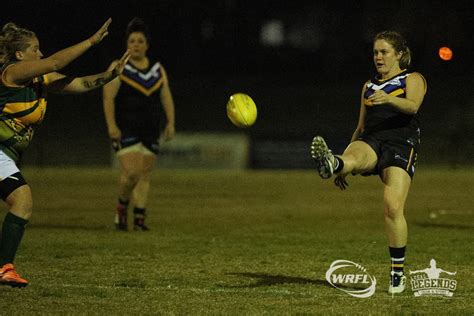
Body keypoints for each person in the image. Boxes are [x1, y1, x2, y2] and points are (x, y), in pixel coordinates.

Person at [0, 19, 130, 288]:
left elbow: (79, 84)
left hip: (7, 155)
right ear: (19, 55)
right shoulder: (11, 73)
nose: (41, 54)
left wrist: (112, 75)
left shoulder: (39, 80)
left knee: (21, 202)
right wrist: (92, 42)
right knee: (22, 200)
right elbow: (57, 62)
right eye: (35, 49)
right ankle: (4, 268)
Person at [311, 31, 427, 294]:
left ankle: (397, 273)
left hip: (401, 143)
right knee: (352, 157)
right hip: (372, 140)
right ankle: (334, 163)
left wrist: (388, 99)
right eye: (375, 52)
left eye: (384, 52)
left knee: (392, 207)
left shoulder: (413, 78)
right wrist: (344, 165)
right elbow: (361, 127)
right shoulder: (368, 86)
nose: (378, 57)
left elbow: (413, 106)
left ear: (398, 54)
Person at [103, 18, 176, 232]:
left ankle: (140, 218)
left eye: (140, 41)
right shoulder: (119, 67)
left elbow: (166, 97)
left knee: (144, 174)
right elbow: (108, 98)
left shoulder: (157, 70)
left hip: (151, 129)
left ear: (147, 45)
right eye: (132, 41)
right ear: (127, 44)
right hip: (126, 128)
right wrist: (111, 126)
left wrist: (171, 123)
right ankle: (122, 206)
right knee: (132, 172)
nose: (136, 45)